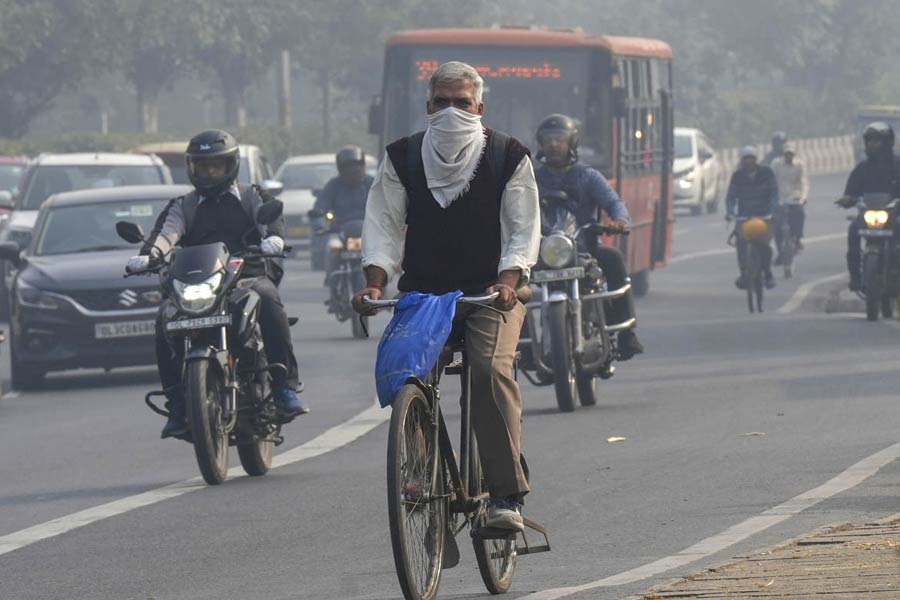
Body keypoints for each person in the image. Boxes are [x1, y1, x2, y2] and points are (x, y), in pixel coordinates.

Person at [352, 61, 540, 531]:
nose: (452, 111)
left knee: (489, 370)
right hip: (424, 296)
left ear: (480, 107)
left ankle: (505, 496)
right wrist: (374, 283)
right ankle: (418, 471)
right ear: (428, 106)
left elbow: (523, 229)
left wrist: (509, 282)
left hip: (490, 297)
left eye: (462, 103)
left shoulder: (507, 155)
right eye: (443, 103)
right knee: (404, 371)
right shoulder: (403, 157)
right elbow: (384, 226)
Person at [127, 129, 308, 439]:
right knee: (164, 319)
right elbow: (165, 236)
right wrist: (149, 256)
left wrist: (274, 239)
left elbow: (270, 222)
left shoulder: (251, 195)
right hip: (197, 280)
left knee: (269, 300)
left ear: (230, 166)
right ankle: (178, 404)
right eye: (202, 166)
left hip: (246, 275)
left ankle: (284, 388)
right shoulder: (183, 205)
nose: (209, 172)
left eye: (216, 166)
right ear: (191, 168)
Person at [532, 113, 643, 359]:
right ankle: (523, 344)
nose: (554, 145)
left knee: (614, 259)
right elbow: (511, 206)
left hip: (585, 248)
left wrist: (620, 220)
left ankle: (626, 333)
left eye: (559, 139)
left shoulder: (588, 176)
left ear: (571, 143)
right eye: (548, 140)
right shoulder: (530, 178)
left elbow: (613, 202)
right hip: (542, 251)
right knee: (512, 281)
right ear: (540, 144)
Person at [836, 122, 900, 290]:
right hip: (869, 216)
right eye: (869, 140)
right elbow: (851, 191)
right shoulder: (862, 168)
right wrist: (847, 199)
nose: (872, 144)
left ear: (887, 142)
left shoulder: (898, 165)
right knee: (852, 231)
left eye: (877, 140)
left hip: (895, 217)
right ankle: (855, 277)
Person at [313, 145, 374, 293]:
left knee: (380, 256)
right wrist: (320, 218)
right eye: (349, 167)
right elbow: (321, 206)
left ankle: (378, 286)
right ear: (341, 169)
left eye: (357, 165)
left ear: (363, 165)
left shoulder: (372, 184)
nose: (355, 170)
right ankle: (331, 278)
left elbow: (386, 203)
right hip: (340, 232)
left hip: (369, 232)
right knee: (331, 249)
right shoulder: (333, 185)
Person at [725, 146, 779, 289]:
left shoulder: (767, 173)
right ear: (742, 161)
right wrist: (730, 213)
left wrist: (773, 211)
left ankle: (767, 273)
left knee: (765, 246)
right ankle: (744, 273)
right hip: (744, 217)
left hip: (764, 216)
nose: (748, 162)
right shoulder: (737, 176)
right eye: (745, 159)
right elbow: (731, 197)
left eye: (751, 159)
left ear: (756, 160)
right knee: (741, 245)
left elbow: (774, 194)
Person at [771, 142, 809, 261]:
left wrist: (803, 197)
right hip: (779, 198)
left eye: (791, 154)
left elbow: (804, 182)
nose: (789, 156)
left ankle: (797, 239)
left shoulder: (799, 165)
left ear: (794, 155)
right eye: (787, 154)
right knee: (777, 228)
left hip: (794, 197)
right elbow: (771, 181)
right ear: (783, 154)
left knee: (800, 214)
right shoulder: (776, 164)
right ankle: (780, 253)